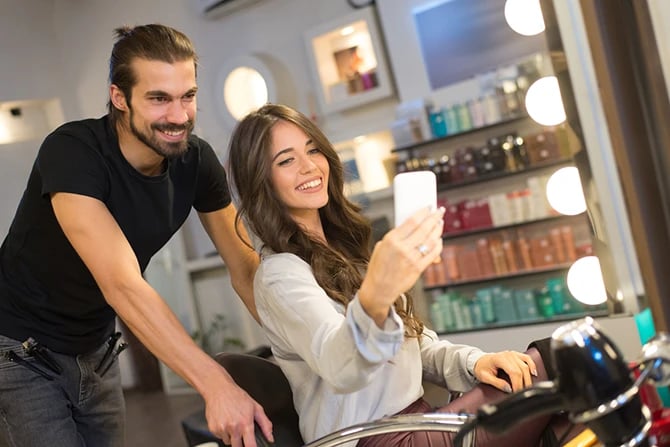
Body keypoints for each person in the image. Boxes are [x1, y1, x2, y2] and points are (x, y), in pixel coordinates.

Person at [227, 103, 581, 447]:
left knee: (562, 410)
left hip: (420, 422)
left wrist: (476, 362)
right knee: (557, 362)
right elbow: (342, 366)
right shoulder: (280, 275)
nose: (308, 167)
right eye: (286, 160)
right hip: (372, 440)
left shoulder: (346, 253)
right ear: (262, 181)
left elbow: (413, 346)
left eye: (313, 150)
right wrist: (376, 298)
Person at [0, 24, 273, 447]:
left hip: (96, 348)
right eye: (159, 99)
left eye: (188, 96)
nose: (179, 116)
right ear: (119, 98)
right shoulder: (73, 152)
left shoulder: (196, 161)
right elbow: (123, 285)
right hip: (20, 350)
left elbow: (245, 267)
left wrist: (301, 344)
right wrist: (215, 384)